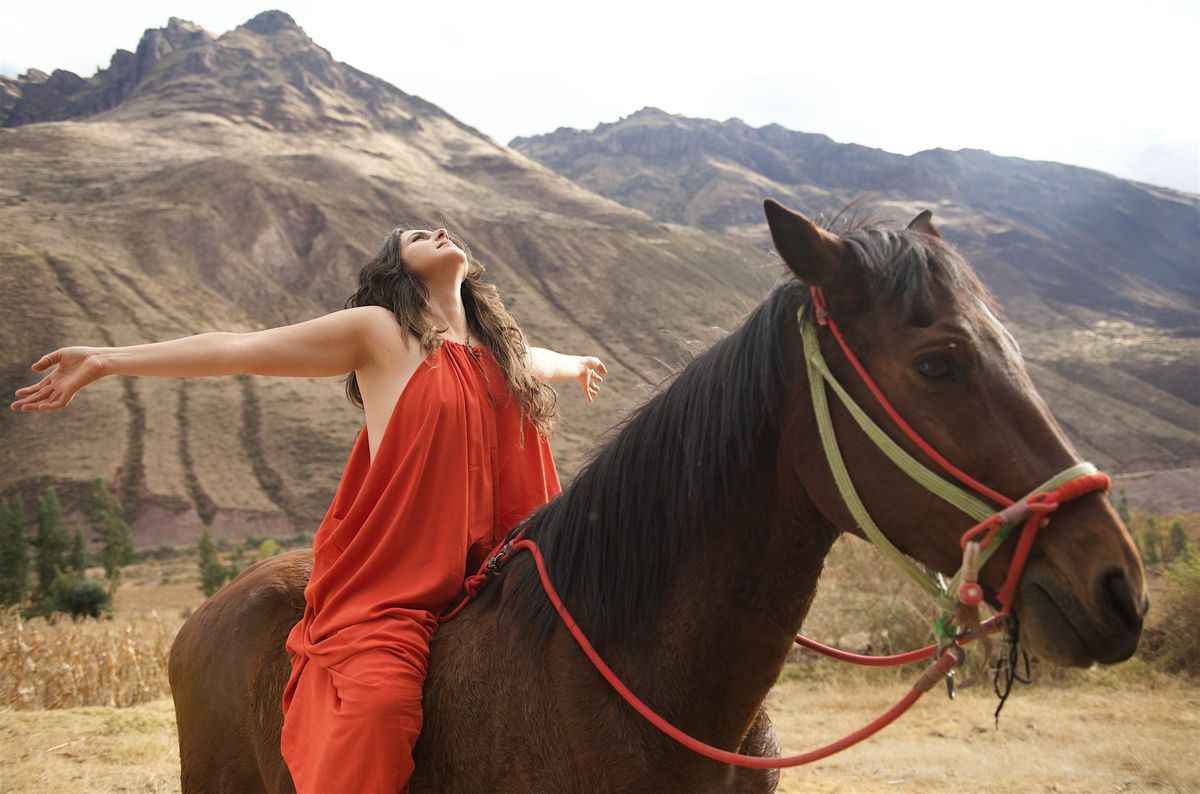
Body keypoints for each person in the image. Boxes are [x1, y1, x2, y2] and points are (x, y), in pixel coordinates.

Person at [9, 224, 607, 792]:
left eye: (438, 228)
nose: (437, 232)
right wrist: (107, 360)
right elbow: (239, 349)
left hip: (507, 563)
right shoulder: (380, 333)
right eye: (416, 236)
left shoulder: (501, 349)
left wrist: (578, 365)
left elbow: (543, 360)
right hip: (396, 581)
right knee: (377, 705)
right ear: (396, 270)